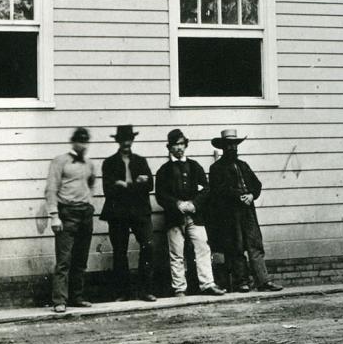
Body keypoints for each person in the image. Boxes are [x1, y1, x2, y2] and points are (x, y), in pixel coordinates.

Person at [206, 129, 282, 292]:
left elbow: (257, 185)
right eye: (228, 146)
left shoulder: (243, 165)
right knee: (236, 246)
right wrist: (236, 196)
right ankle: (242, 282)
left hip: (248, 211)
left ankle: (263, 281)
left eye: (234, 145)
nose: (232, 148)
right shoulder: (216, 168)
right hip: (230, 214)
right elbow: (216, 191)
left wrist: (251, 195)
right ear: (223, 148)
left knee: (255, 244)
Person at [154, 129, 226, 297]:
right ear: (169, 147)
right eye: (175, 144)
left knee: (202, 247)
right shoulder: (163, 171)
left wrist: (194, 204)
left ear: (185, 145)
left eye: (181, 144)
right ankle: (179, 288)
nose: (179, 148)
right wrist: (177, 204)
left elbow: (206, 190)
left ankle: (207, 284)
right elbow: (160, 195)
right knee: (176, 253)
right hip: (174, 218)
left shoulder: (195, 167)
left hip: (195, 217)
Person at [100, 125, 156, 302]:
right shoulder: (109, 163)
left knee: (148, 245)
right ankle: (123, 292)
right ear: (117, 141)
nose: (126, 143)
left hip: (140, 211)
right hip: (118, 212)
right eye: (122, 139)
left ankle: (146, 290)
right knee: (120, 251)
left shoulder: (141, 161)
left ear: (132, 141)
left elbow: (150, 185)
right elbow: (108, 190)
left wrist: (124, 185)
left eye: (128, 139)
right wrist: (136, 184)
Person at [44, 128, 98, 313]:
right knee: (64, 259)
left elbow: (91, 184)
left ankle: (77, 296)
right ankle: (60, 300)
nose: (83, 145)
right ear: (73, 142)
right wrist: (54, 216)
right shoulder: (60, 161)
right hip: (66, 214)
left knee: (81, 259)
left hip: (85, 214)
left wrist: (90, 203)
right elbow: (51, 188)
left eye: (86, 142)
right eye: (80, 141)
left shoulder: (89, 163)